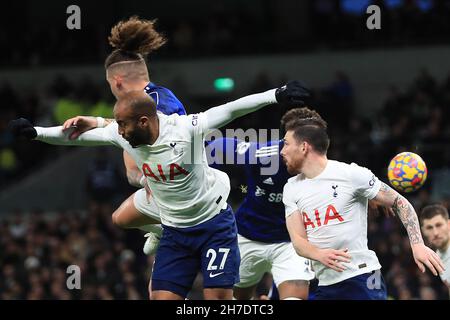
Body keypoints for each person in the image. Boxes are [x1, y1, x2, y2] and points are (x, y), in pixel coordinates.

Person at [9, 81, 310, 300]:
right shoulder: (124, 135)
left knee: (218, 300)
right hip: (175, 230)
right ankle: (158, 231)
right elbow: (76, 137)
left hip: (213, 225)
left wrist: (277, 94)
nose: (119, 131)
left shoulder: (187, 128)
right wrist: (36, 133)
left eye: (124, 125)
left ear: (143, 121)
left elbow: (232, 108)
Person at [280, 108, 445, 300]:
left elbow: (400, 202)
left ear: (304, 147)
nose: (282, 151)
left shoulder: (351, 175)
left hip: (363, 277)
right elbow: (298, 241)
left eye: (285, 144)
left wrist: (417, 245)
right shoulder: (291, 188)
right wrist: (319, 254)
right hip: (324, 284)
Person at [63, 16, 187, 253]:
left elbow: (154, 129)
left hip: (181, 182)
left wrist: (100, 122)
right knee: (120, 217)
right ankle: (162, 230)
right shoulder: (137, 108)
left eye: (109, 84)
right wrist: (98, 122)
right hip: (156, 176)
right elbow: (131, 149)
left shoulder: (158, 101)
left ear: (117, 81)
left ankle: (171, 228)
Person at [420, 204, 450, 297]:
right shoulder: (437, 258)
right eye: (429, 228)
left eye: (439, 225)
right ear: (423, 231)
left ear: (449, 224)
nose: (435, 233)